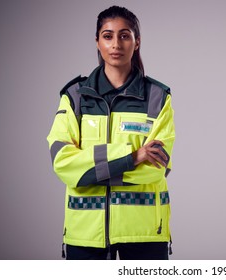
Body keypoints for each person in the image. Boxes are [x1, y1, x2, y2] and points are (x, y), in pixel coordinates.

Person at [47, 6, 175, 260]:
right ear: (97, 41)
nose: (116, 43)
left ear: (136, 42)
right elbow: (62, 162)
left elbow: (156, 167)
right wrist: (133, 157)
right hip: (84, 233)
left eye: (124, 35)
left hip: (145, 231)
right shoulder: (75, 96)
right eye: (107, 36)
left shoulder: (158, 97)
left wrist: (88, 171)